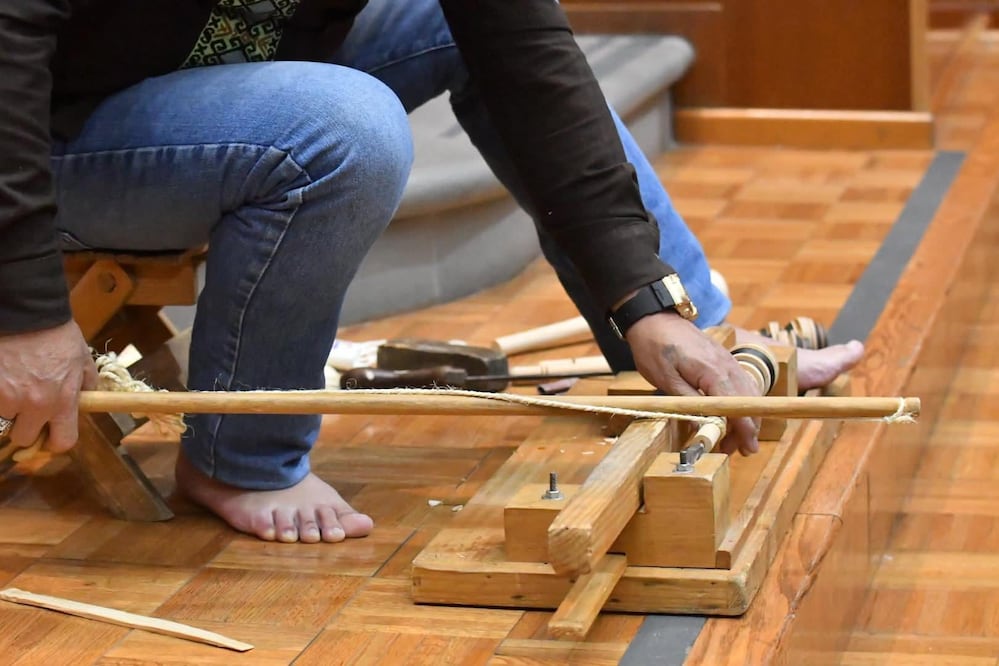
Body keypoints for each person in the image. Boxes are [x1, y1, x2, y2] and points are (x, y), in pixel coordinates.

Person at [0, 0, 862, 544]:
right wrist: (27, 308)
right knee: (345, 128)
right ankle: (241, 457)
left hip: (182, 75)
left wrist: (644, 296)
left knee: (463, 23)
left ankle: (693, 338)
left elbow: (525, 53)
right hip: (49, 130)